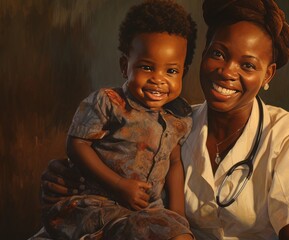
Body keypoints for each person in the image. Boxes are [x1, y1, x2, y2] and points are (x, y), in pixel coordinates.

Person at [35, 0, 289, 239]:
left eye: (248, 65)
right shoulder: (171, 123)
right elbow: (108, 166)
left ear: (268, 75)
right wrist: (65, 178)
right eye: (219, 54)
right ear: (204, 52)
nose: (227, 72)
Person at [35, 0, 197, 239]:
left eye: (171, 71)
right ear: (125, 66)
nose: (158, 79)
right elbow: (77, 144)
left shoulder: (177, 118)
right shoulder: (108, 102)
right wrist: (119, 185)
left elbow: (174, 164)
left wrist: (177, 215)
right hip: (98, 204)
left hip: (144, 214)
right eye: (147, 67)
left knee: (179, 235)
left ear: (183, 71)